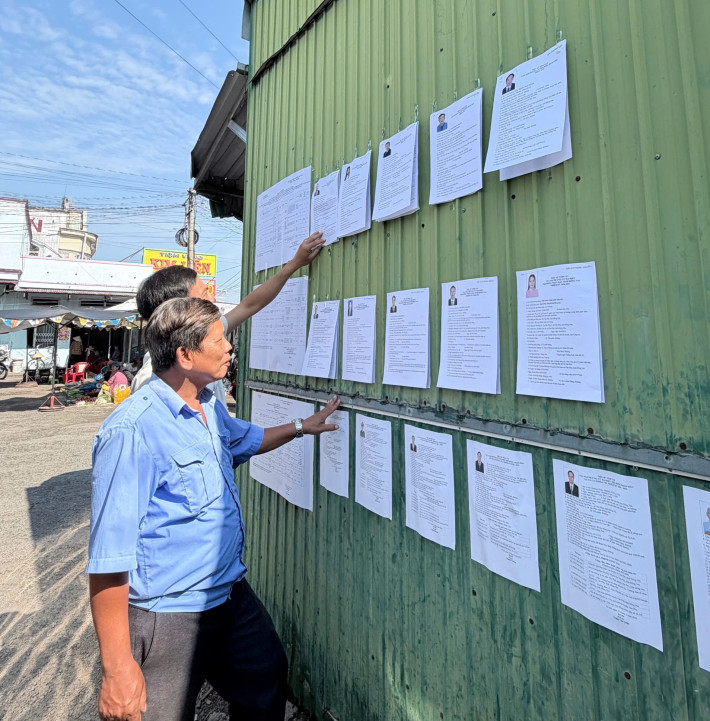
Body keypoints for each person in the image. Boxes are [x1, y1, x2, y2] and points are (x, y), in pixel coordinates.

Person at [87, 297, 341, 721]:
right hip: (167, 613)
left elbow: (248, 439)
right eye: (219, 340)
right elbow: (109, 560)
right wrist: (117, 669)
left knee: (266, 679)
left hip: (228, 595)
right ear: (185, 356)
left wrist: (302, 427)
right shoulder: (132, 430)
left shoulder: (208, 406)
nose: (229, 348)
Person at [132, 231, 325, 406]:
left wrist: (294, 264)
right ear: (178, 309)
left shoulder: (203, 337)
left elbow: (251, 305)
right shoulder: (150, 383)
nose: (212, 300)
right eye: (204, 294)